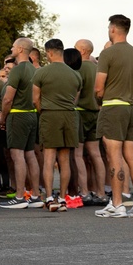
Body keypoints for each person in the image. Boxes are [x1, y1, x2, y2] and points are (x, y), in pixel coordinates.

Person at [94, 14, 133, 218]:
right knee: (132, 156)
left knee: (114, 155)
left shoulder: (108, 53)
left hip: (113, 107)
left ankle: (117, 205)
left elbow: (99, 87)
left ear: (113, 29)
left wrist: (100, 101)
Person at [32, 39, 82, 211]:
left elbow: (35, 99)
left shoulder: (41, 73)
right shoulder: (76, 75)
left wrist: (43, 111)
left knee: (48, 159)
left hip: (49, 114)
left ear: (49, 53)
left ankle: (49, 197)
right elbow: (75, 99)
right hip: (69, 115)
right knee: (65, 159)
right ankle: (62, 198)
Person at [0, 37, 43, 209]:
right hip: (32, 115)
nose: (12, 48)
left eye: (14, 46)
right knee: (30, 154)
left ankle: (19, 196)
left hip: (18, 115)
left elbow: (8, 99)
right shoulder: (35, 69)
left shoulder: (18, 70)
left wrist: (3, 117)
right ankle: (36, 195)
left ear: (21, 49)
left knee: (17, 156)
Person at [74, 39, 106, 205]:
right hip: (96, 112)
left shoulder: (78, 68)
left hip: (80, 113)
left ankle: (85, 192)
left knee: (78, 154)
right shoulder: (98, 69)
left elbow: (76, 93)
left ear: (82, 51)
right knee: (96, 154)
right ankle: (101, 193)